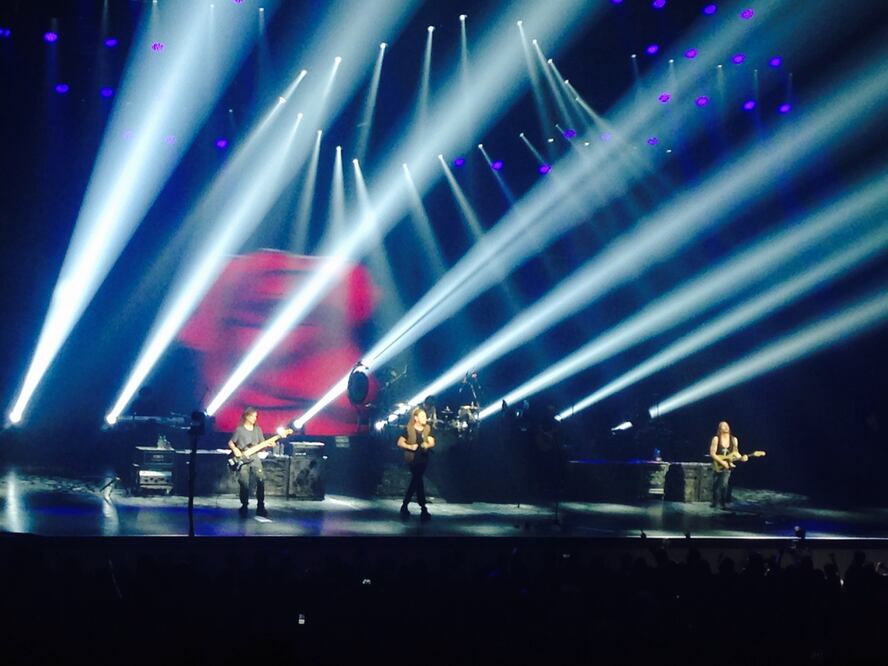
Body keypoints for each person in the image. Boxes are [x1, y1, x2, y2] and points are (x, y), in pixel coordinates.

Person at [397, 407, 435, 521]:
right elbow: (400, 442)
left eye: (425, 416)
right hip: (412, 459)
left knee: (416, 481)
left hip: (423, 458)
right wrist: (409, 446)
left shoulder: (427, 428)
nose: (425, 418)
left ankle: (405, 505)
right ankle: (423, 507)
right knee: (417, 480)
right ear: (416, 418)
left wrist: (427, 445)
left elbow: (432, 441)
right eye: (422, 416)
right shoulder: (408, 429)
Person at [229, 407, 268, 518]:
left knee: (261, 481)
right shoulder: (239, 430)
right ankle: (244, 505)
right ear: (247, 416)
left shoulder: (258, 430)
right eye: (253, 416)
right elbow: (231, 442)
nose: (255, 418)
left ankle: (260, 506)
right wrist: (235, 449)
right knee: (244, 484)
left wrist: (268, 444)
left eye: (256, 416)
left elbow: (262, 444)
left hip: (255, 459)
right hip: (243, 460)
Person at [709, 421, 747, 509]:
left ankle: (723, 503)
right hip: (717, 464)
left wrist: (741, 458)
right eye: (723, 426)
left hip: (728, 464)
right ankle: (715, 502)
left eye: (727, 425)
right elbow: (712, 453)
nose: (726, 427)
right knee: (716, 483)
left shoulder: (734, 439)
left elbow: (735, 453)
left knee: (724, 484)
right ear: (719, 429)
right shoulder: (716, 439)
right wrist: (722, 462)